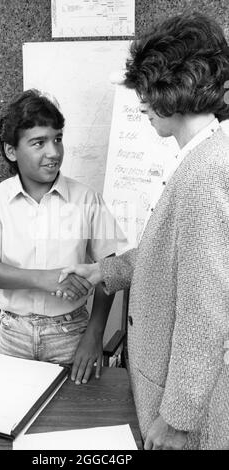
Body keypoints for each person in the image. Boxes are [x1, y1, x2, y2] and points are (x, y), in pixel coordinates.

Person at [59, 11, 229, 449]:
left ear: (174, 87)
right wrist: (106, 271)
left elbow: (206, 311)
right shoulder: (207, 155)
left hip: (187, 410)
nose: (141, 104)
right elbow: (170, 254)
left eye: (146, 91)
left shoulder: (205, 172)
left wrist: (176, 419)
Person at [0, 89, 127, 384]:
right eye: (39, 143)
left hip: (71, 333)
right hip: (14, 333)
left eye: (58, 139)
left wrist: (95, 334)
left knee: (69, 417)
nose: (53, 152)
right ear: (12, 151)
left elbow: (109, 273)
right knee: (12, 414)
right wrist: (46, 278)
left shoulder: (87, 199)